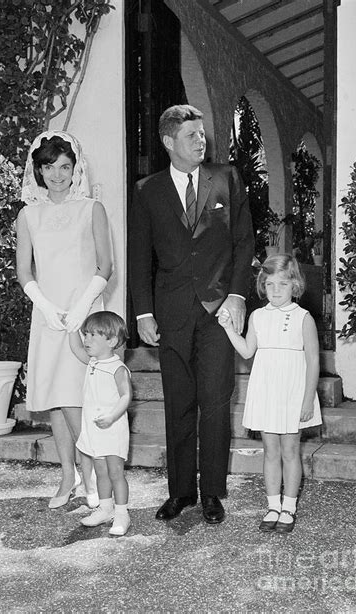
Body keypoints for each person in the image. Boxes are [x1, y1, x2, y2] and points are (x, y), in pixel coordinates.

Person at [129, 104, 255, 524]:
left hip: (220, 311)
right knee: (179, 403)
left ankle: (212, 493)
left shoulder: (227, 179)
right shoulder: (147, 190)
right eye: (191, 136)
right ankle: (181, 492)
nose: (201, 141)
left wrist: (237, 296)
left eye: (202, 134)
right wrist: (143, 313)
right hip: (172, 312)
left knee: (216, 403)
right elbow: (138, 258)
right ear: (169, 142)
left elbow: (243, 243)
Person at [16, 131, 113, 510]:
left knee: (77, 398)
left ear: (76, 169)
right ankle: (67, 477)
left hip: (83, 315)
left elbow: (106, 265)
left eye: (64, 167)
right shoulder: (29, 215)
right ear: (37, 171)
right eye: (49, 167)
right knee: (56, 400)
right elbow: (24, 271)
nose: (57, 174)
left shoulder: (92, 208)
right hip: (47, 315)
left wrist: (79, 310)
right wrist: (43, 305)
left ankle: (91, 477)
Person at [218, 253, 322, 533]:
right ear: (263, 285)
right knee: (270, 451)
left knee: (290, 450)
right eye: (270, 284)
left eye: (283, 284)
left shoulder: (303, 318)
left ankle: (289, 506)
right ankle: (273, 505)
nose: (276, 290)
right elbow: (247, 351)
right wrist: (229, 329)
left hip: (293, 391)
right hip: (266, 390)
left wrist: (307, 398)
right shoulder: (257, 317)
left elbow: (313, 360)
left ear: (295, 285)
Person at [69, 311, 133, 536]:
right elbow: (76, 349)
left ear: (112, 341)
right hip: (95, 429)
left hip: (112, 428)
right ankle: (105, 509)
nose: (86, 340)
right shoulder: (93, 362)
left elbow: (126, 396)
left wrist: (112, 416)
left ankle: (122, 513)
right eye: (86, 334)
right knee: (101, 471)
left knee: (116, 472)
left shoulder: (118, 368)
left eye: (93, 336)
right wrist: (71, 328)